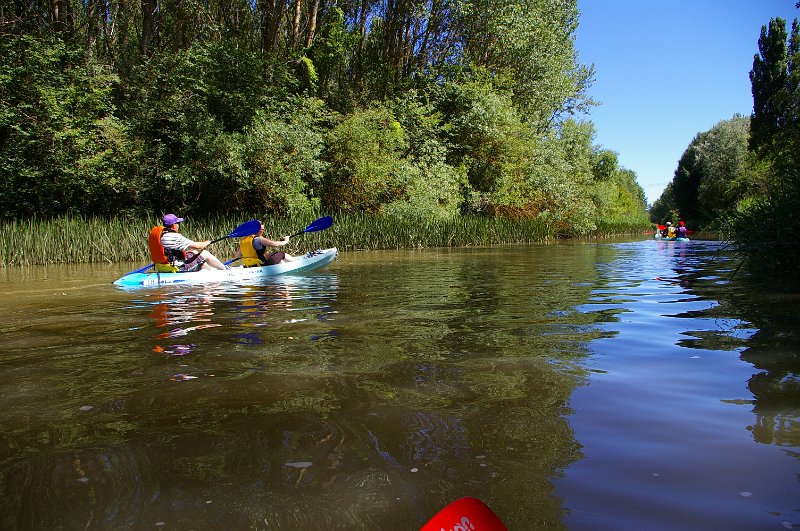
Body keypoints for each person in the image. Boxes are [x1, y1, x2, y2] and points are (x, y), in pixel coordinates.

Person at [148, 213, 227, 272]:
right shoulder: (174, 237)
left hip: (163, 267)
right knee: (205, 253)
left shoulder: (161, 235)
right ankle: (225, 271)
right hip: (178, 269)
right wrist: (208, 242)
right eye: (178, 223)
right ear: (173, 225)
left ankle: (211, 270)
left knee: (193, 252)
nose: (179, 225)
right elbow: (199, 246)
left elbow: (169, 252)